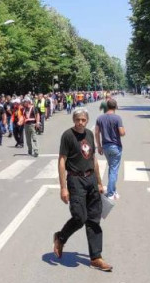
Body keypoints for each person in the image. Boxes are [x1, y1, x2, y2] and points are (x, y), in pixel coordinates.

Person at [52, 109, 112, 272]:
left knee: (94, 219)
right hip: (75, 180)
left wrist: (99, 183)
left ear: (87, 120)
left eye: (83, 120)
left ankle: (96, 257)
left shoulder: (90, 135)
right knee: (80, 216)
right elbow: (62, 161)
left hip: (91, 179)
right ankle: (61, 237)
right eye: (78, 119)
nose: (80, 122)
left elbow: (93, 159)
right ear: (74, 120)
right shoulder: (67, 136)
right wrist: (63, 187)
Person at [94, 98, 125, 199]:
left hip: (106, 147)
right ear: (116, 107)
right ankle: (111, 193)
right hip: (116, 146)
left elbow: (96, 133)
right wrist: (123, 131)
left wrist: (99, 146)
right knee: (113, 169)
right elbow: (121, 133)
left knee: (112, 168)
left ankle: (113, 190)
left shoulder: (100, 118)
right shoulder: (117, 118)